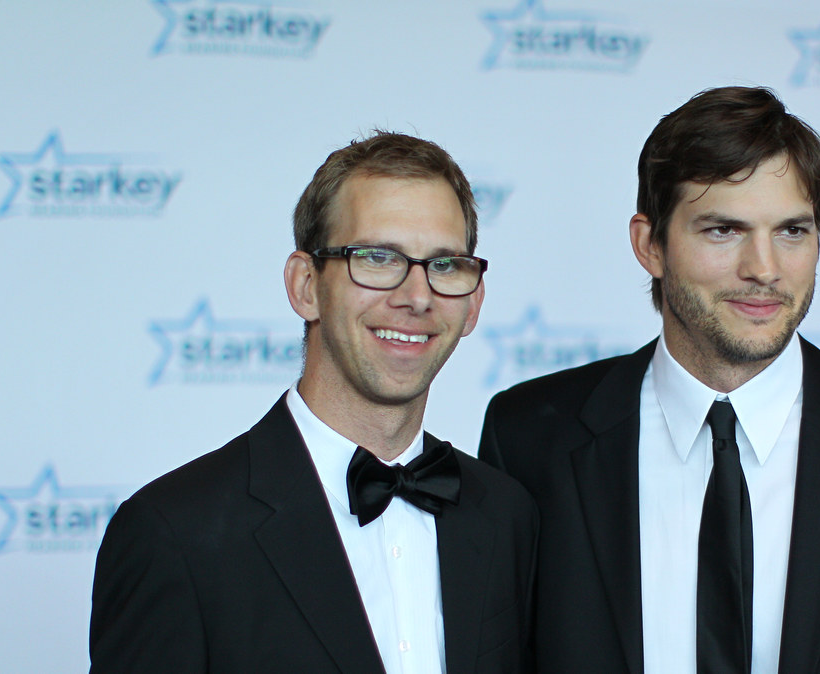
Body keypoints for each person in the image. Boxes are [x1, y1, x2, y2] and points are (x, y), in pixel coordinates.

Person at [478, 86, 820, 673]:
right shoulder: (530, 437)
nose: (764, 269)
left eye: (792, 231)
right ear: (649, 244)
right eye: (723, 230)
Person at [91, 131, 537, 674]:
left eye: (444, 266)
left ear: (473, 304)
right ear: (306, 285)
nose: (417, 296)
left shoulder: (508, 517)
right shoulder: (175, 534)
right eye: (377, 258)